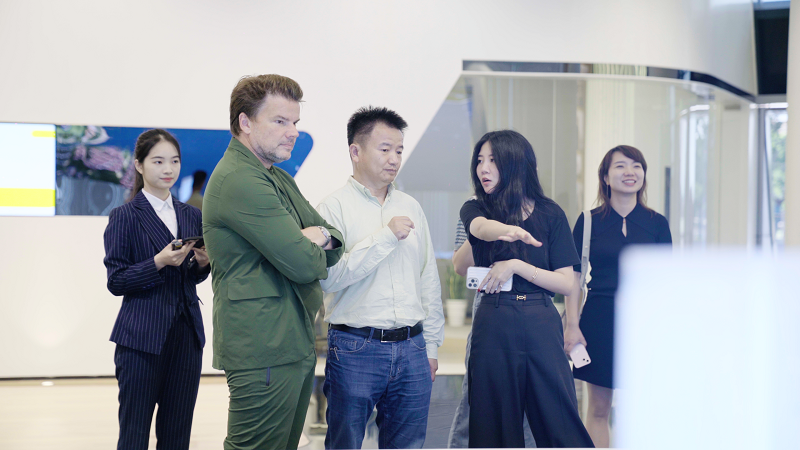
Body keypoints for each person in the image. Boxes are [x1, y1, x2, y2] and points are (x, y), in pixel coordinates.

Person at [202, 74, 344, 450]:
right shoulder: (240, 180)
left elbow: (334, 240)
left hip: (289, 338)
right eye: (280, 121)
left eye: (295, 122)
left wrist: (316, 235)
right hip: (263, 342)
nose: (293, 132)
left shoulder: (277, 178)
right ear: (245, 122)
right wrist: (307, 239)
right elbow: (304, 264)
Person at [316, 106, 445, 450]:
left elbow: (428, 279)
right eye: (385, 149)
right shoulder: (332, 208)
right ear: (355, 151)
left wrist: (431, 346)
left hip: (413, 348)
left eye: (399, 150)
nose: (394, 159)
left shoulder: (410, 206)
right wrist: (385, 237)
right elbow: (329, 278)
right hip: (356, 347)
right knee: (345, 443)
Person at [459, 129, 594, 448]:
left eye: (493, 160)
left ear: (516, 163)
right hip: (493, 320)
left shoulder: (550, 213)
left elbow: (566, 282)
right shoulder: (477, 208)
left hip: (540, 318)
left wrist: (517, 265)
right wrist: (507, 230)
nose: (483, 168)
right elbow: (479, 230)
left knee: (559, 419)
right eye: (480, 160)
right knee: (493, 425)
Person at [103, 129, 209, 450]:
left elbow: (191, 277)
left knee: (177, 434)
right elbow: (116, 280)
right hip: (141, 338)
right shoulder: (124, 216)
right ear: (139, 165)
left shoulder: (192, 214)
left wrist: (202, 264)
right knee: (134, 434)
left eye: (174, 161)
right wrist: (158, 262)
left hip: (186, 336)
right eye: (158, 161)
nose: (168, 169)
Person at [563, 145, 672, 448]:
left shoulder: (657, 223)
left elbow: (665, 281)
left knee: (643, 408)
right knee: (599, 408)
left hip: (645, 321)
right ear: (605, 176)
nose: (630, 172)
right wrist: (572, 326)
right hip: (600, 319)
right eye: (621, 166)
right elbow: (574, 278)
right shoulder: (588, 221)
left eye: (637, 166)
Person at [448, 217, 536, 449]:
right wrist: (481, 227)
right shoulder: (474, 209)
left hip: (530, 307)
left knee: (528, 401)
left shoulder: (534, 207)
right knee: (477, 396)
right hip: (489, 304)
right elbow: (460, 267)